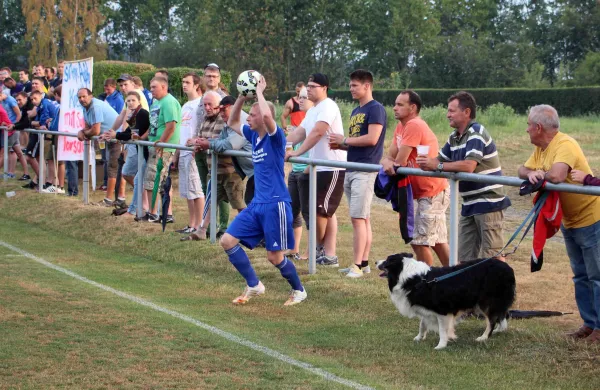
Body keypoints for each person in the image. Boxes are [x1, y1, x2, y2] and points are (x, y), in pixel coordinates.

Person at [518, 105, 600, 344]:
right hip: (570, 220)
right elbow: (521, 169)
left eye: (528, 125)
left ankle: (599, 328)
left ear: (538, 127)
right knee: (580, 275)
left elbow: (555, 175)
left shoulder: (565, 144)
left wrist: (540, 174)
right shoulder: (541, 148)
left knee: (596, 276)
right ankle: (589, 323)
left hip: (590, 219)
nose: (526, 130)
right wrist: (532, 173)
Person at [223, 75, 307, 306]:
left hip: (276, 203)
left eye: (253, 114)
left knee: (274, 257)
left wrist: (260, 91)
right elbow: (231, 121)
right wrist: (241, 96)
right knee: (228, 240)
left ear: (262, 117)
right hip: (258, 204)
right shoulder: (253, 135)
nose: (248, 118)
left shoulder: (275, 137)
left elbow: (269, 115)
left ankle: (299, 290)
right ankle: (254, 284)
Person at [417, 91, 511, 261]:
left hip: (488, 202)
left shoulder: (477, 132)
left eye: (452, 111)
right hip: (469, 204)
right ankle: (470, 288)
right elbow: (438, 160)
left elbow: (468, 166)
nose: (447, 115)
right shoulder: (454, 137)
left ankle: (501, 288)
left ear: (466, 112)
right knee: (465, 258)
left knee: (493, 257)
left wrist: (437, 165)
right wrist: (425, 162)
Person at [382, 90, 450, 267]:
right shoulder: (401, 126)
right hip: (426, 192)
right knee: (437, 241)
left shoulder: (414, 125)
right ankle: (455, 276)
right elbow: (389, 156)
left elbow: (399, 161)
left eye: (400, 104)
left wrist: (390, 162)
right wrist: (387, 161)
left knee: (419, 240)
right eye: (395, 104)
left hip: (432, 191)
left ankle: (426, 282)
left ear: (412, 108)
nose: (394, 108)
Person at [328, 69, 386, 278]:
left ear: (367, 86)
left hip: (365, 170)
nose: (351, 89)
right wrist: (340, 144)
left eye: (354, 85)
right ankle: (363, 263)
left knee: (358, 219)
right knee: (363, 218)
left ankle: (356, 267)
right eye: (350, 85)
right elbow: (355, 143)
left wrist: (344, 140)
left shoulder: (376, 109)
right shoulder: (355, 111)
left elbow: (372, 139)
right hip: (351, 167)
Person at [286, 73, 347, 267]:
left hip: (331, 166)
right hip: (317, 168)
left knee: (321, 211)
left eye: (313, 86)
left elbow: (318, 132)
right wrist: (285, 146)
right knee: (319, 210)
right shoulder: (313, 110)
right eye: (308, 86)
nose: (309, 89)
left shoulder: (329, 106)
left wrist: (298, 153)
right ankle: (324, 253)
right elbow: (300, 133)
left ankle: (317, 249)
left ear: (324, 88)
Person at [187, 91, 246, 238]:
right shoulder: (226, 123)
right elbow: (218, 141)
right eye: (204, 105)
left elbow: (227, 144)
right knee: (211, 199)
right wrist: (203, 143)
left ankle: (248, 232)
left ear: (232, 107)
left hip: (232, 171)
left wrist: (206, 143)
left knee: (239, 204)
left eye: (223, 109)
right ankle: (202, 231)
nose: (220, 112)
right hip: (215, 170)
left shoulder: (237, 122)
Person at [193, 63, 230, 236]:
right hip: (201, 147)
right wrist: (195, 140)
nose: (211, 79)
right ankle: (208, 226)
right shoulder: (202, 97)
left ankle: (223, 226)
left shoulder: (223, 99)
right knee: (207, 187)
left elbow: (226, 130)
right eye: (208, 76)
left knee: (221, 191)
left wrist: (207, 142)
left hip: (216, 151)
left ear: (219, 78)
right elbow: (200, 122)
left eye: (214, 76)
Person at [102, 91, 151, 216]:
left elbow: (133, 134)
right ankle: (140, 205)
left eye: (133, 100)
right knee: (128, 174)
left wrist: (116, 135)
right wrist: (111, 134)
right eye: (128, 101)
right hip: (138, 149)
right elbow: (129, 133)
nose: (130, 103)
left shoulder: (142, 113)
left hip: (146, 152)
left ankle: (134, 209)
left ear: (139, 101)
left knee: (137, 180)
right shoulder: (132, 115)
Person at [139, 76, 181, 223]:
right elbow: (153, 125)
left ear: (164, 87)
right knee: (158, 181)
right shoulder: (156, 103)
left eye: (154, 87)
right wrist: (142, 137)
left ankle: (153, 213)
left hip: (163, 149)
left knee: (153, 179)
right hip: (155, 146)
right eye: (150, 87)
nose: (151, 90)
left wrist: (161, 143)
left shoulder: (169, 102)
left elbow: (171, 126)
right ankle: (163, 213)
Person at [173, 72, 205, 234]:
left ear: (196, 85)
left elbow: (201, 128)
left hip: (193, 152)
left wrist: (196, 145)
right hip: (183, 152)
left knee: (196, 189)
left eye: (187, 82)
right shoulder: (185, 105)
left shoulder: (200, 103)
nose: (184, 85)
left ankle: (199, 224)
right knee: (187, 190)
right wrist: (177, 153)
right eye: (183, 82)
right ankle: (191, 223)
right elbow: (181, 131)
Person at [76, 88, 119, 202]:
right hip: (108, 138)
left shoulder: (96, 106)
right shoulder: (85, 108)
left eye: (84, 96)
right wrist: (83, 131)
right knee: (114, 167)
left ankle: (109, 199)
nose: (81, 99)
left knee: (113, 168)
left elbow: (95, 130)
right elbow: (87, 127)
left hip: (117, 138)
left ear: (91, 96)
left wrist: (83, 133)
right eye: (79, 97)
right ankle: (119, 198)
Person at [285, 87, 313, 261]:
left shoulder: (317, 120)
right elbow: (290, 145)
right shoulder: (303, 121)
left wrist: (306, 169)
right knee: (292, 212)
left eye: (304, 97)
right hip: (295, 171)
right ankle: (293, 248)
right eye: (299, 97)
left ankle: (311, 252)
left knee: (308, 214)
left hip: (307, 171)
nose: (300, 100)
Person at [5, 92, 31, 181]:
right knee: (18, 152)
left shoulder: (10, 100)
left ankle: (10, 173)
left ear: (25, 97)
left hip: (13, 130)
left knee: (7, 152)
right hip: (13, 129)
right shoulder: (23, 107)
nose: (18, 102)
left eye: (20, 99)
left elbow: (20, 117)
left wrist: (14, 125)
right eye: (17, 100)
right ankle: (26, 173)